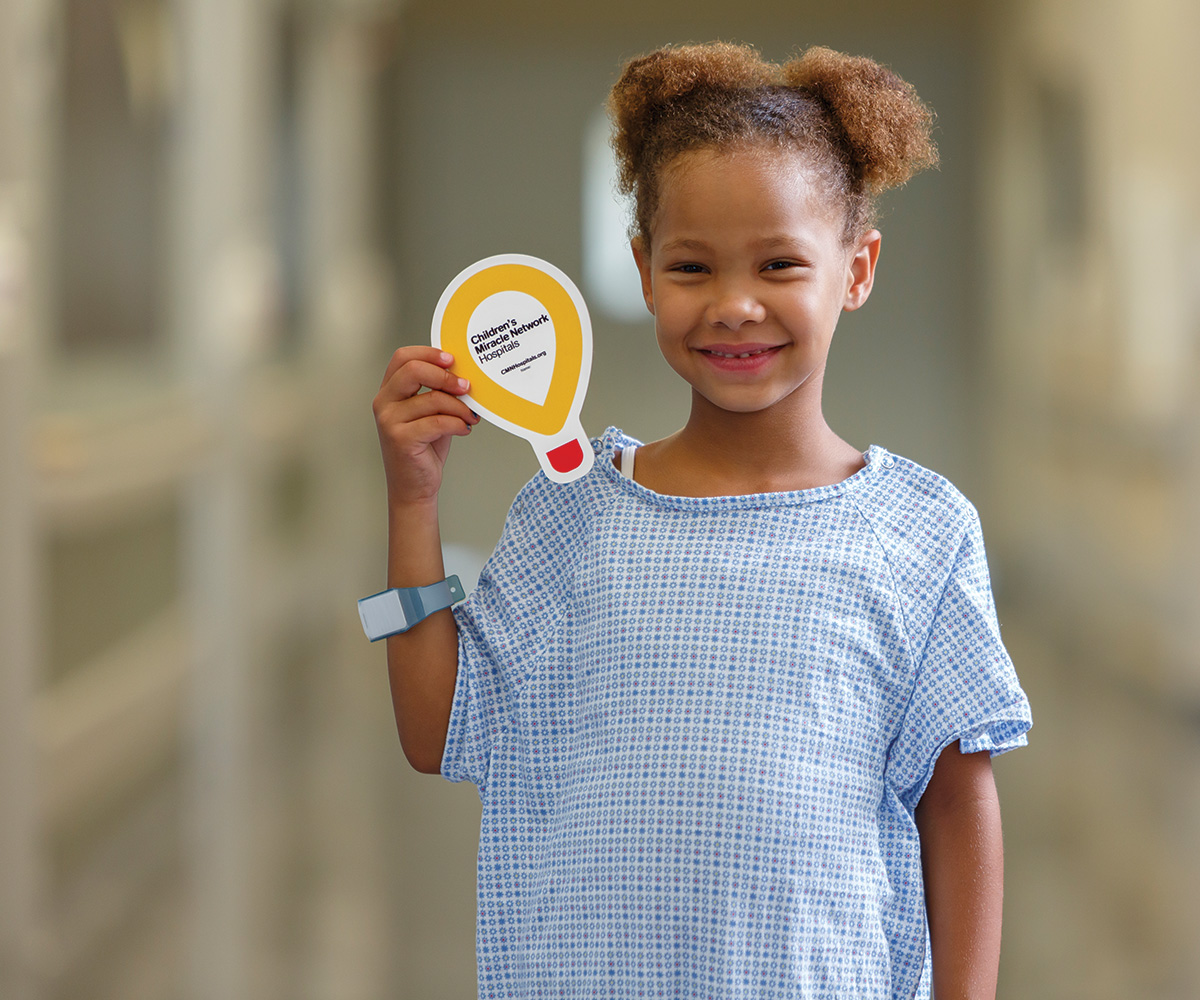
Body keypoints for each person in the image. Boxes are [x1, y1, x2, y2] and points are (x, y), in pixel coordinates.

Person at [372, 41, 1031, 1000]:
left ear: (857, 268)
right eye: (691, 266)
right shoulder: (571, 518)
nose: (734, 305)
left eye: (778, 263)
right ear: (642, 271)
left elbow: (960, 807)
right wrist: (411, 500)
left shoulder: (920, 532)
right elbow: (437, 731)